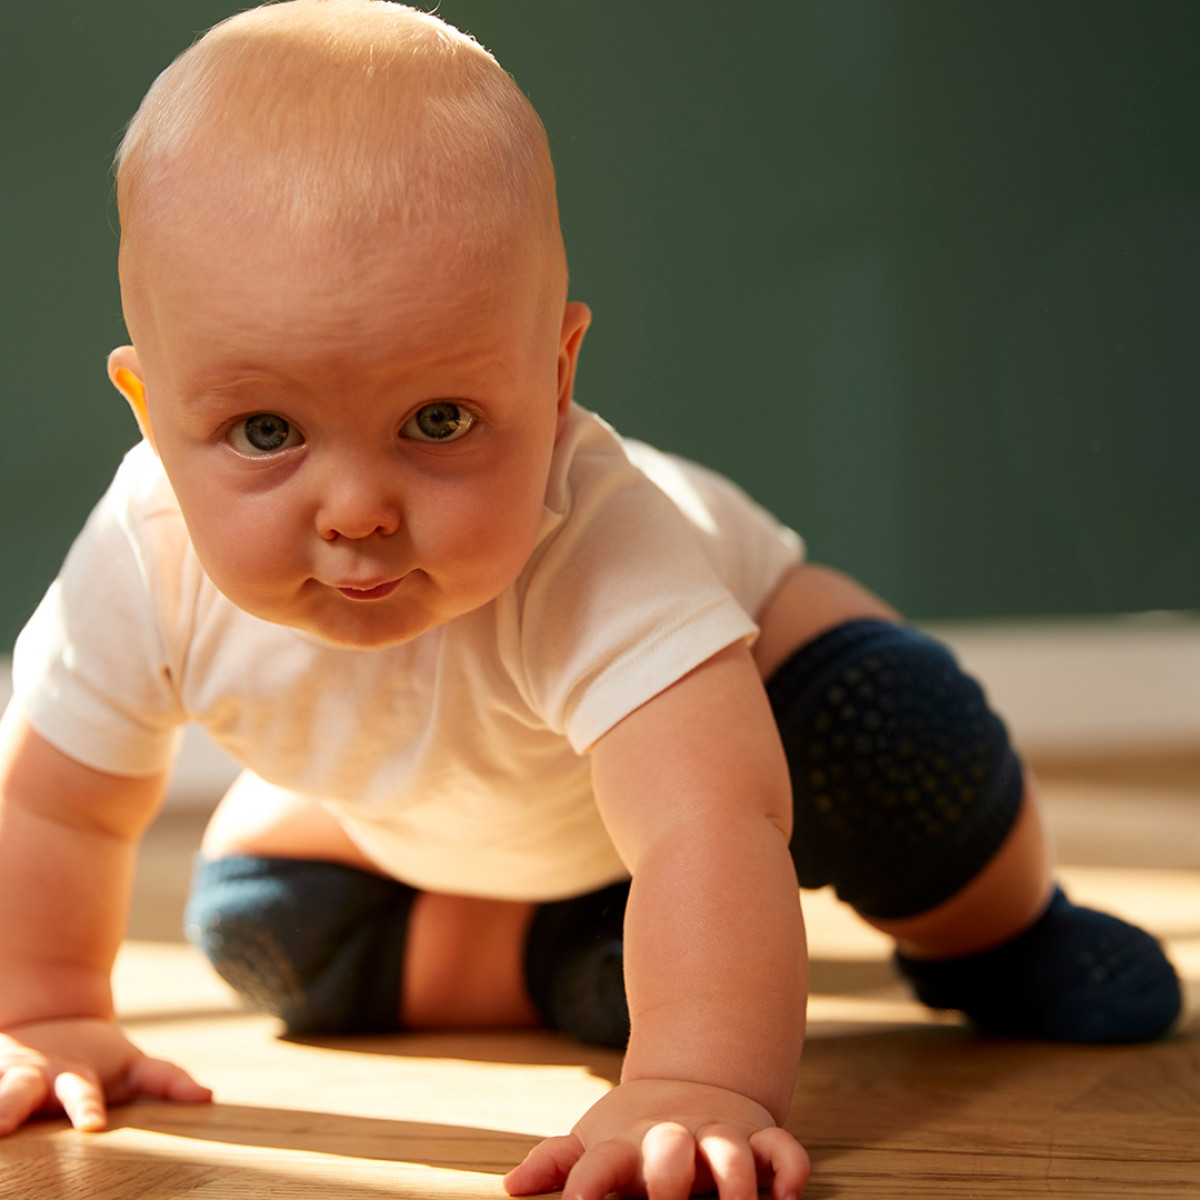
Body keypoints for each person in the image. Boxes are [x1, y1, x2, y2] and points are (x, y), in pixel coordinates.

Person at [0, 3, 1181, 1197]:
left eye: (441, 421)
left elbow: (707, 823)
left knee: (893, 739)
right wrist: (43, 1007)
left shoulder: (600, 541)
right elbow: (58, 808)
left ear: (555, 380)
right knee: (270, 927)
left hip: (755, 713)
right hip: (462, 824)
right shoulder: (143, 553)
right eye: (264, 431)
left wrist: (697, 1080)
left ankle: (1000, 936)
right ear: (151, 414)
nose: (357, 507)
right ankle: (575, 950)